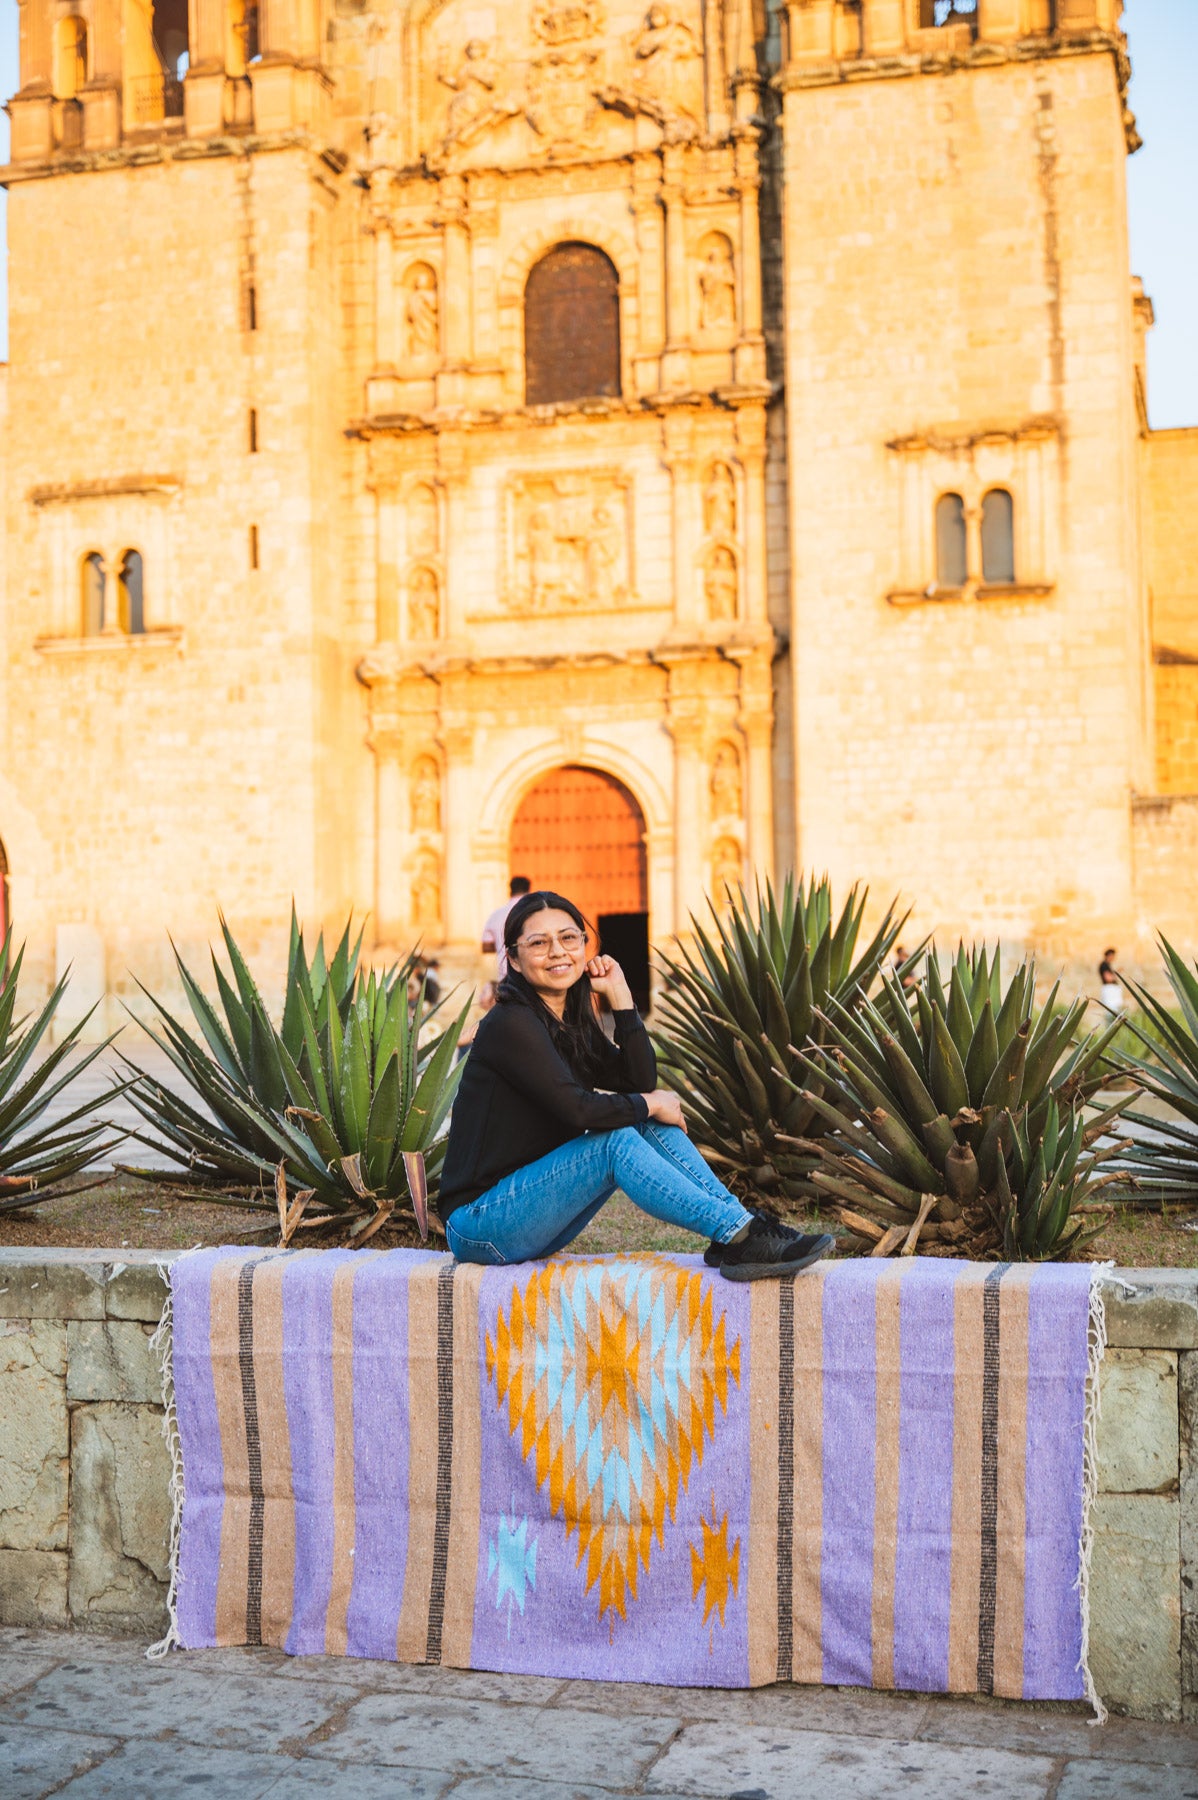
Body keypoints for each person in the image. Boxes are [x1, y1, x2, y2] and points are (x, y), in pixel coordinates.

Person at [438, 889, 834, 1281]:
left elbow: (639, 1080)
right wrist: (653, 1102)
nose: (558, 952)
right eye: (539, 943)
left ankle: (736, 1231)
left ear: (585, 945)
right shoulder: (511, 1023)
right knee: (616, 1140)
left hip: (530, 1214)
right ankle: (738, 1232)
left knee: (645, 1120)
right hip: (479, 1225)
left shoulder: (567, 1021)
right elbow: (578, 1109)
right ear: (514, 959)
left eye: (569, 938)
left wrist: (621, 996)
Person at [482, 875, 531, 978]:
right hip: (530, 974)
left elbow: (486, 946)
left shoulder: (496, 915)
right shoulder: (533, 912)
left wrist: (501, 944)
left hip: (505, 975)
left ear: (510, 890)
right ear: (528, 890)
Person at [1098, 946, 1124, 1014]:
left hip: (1111, 990)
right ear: (1109, 955)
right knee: (1111, 1010)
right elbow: (1108, 979)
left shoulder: (1107, 965)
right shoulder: (1104, 965)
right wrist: (1117, 973)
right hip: (1109, 990)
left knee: (1116, 1009)